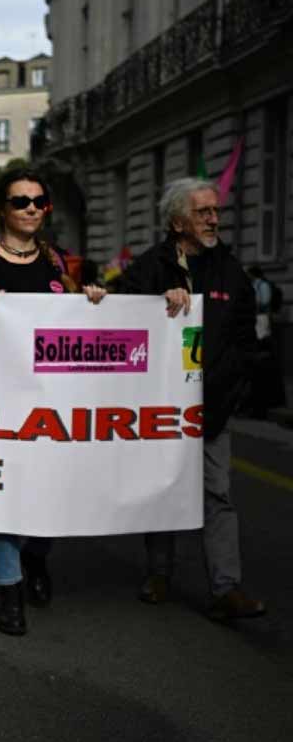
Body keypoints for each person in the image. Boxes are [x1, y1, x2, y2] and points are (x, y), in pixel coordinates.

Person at [0, 167, 106, 637]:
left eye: (39, 201)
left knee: (49, 491)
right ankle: (9, 588)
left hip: (51, 402)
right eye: (20, 201)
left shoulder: (63, 264)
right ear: (3, 209)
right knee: (0, 493)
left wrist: (94, 300)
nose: (31, 209)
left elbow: (86, 327)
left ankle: (36, 556)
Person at [118, 177, 265, 621]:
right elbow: (121, 315)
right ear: (178, 222)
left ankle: (226, 588)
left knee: (218, 495)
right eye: (203, 212)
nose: (213, 219)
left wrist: (234, 387)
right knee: (163, 490)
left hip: (212, 408)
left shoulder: (230, 270)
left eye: (215, 211)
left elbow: (245, 337)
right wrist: (155, 302)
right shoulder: (151, 267)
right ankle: (159, 574)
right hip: (161, 409)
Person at [246, 265, 286, 416]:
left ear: (253, 274)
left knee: (261, 350)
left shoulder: (262, 285)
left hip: (262, 321)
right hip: (258, 321)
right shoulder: (255, 285)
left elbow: (264, 302)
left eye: (249, 274)